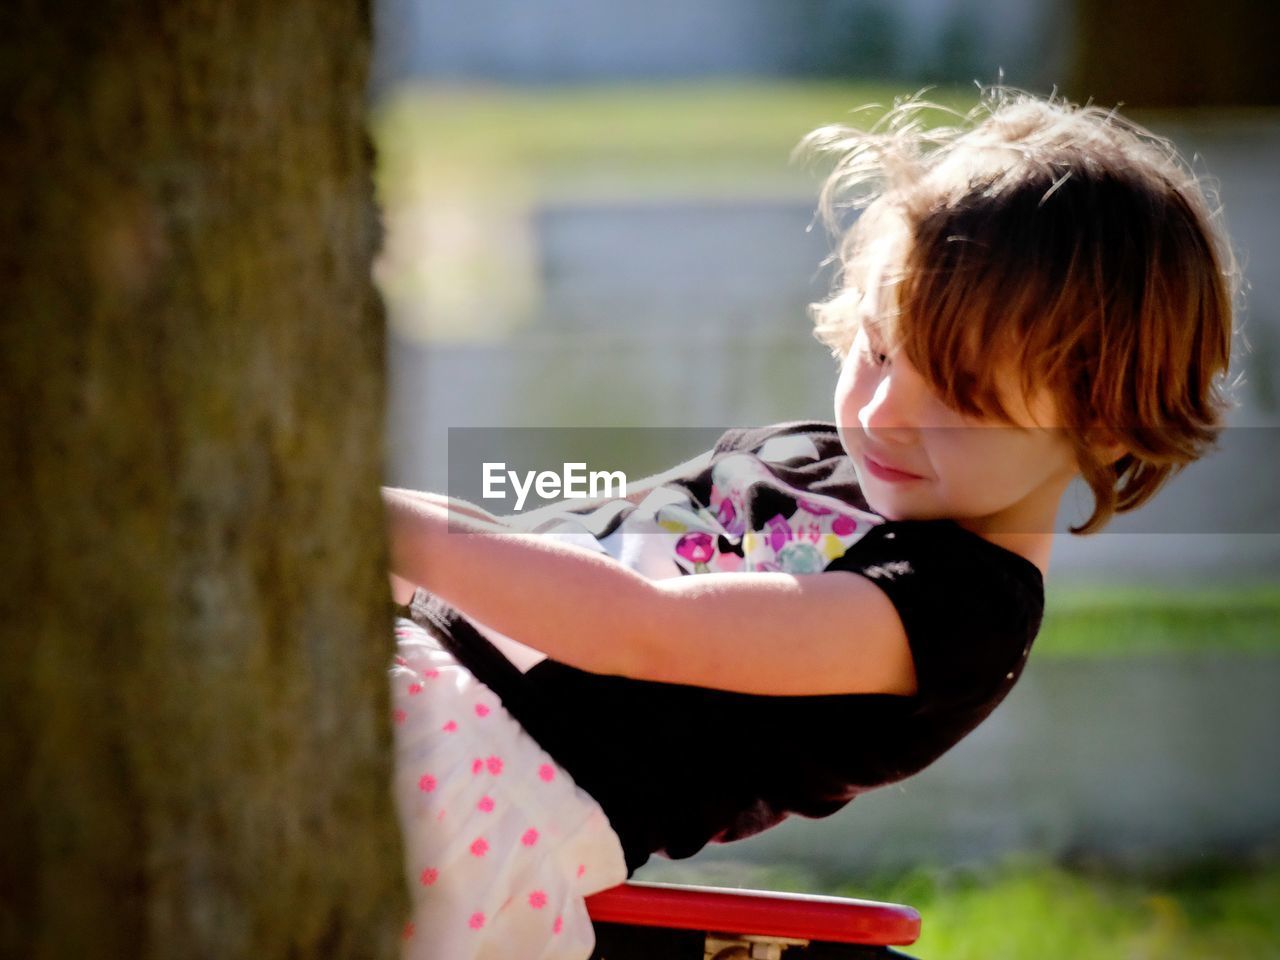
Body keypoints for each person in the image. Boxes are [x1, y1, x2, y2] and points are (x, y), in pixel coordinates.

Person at [381, 87, 1240, 960]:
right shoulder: (825, 460)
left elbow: (644, 629)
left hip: (483, 782)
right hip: (428, 679)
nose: (880, 411)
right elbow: (538, 549)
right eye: (875, 350)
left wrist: (386, 533)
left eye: (954, 391)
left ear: (1101, 420)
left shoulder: (956, 613)